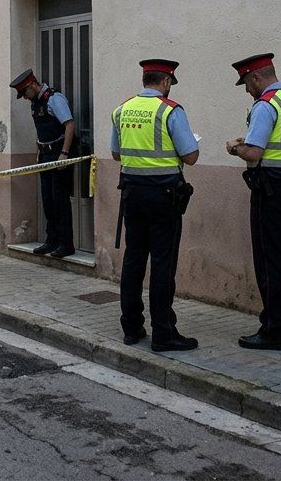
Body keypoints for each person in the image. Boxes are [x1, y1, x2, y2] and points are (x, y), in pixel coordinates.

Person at [225, 53, 281, 351]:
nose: (248, 91)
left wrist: (236, 147)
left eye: (247, 84)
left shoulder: (266, 105)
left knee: (270, 260)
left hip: (271, 191)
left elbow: (254, 153)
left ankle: (273, 330)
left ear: (256, 78)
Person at [111, 59, 201, 352]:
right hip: (164, 197)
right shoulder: (170, 110)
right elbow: (190, 156)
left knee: (134, 260)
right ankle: (163, 333)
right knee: (163, 264)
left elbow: (116, 153)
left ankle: (131, 327)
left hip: (132, 194)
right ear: (165, 82)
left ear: (144, 79)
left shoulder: (121, 110)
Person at [9, 68, 77, 258]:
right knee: (47, 200)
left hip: (58, 154)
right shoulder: (35, 102)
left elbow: (69, 124)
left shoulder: (54, 99)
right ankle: (51, 240)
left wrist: (64, 153)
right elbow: (41, 130)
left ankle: (66, 243)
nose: (24, 97)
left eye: (24, 92)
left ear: (33, 85)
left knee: (59, 200)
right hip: (45, 155)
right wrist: (38, 151)